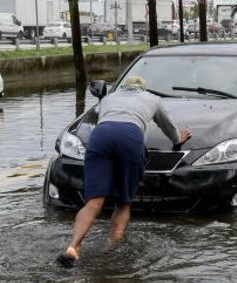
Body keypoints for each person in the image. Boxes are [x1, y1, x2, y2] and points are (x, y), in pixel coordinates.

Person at [57, 76, 191, 268]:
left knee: (94, 201)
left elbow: (100, 118)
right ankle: (109, 252)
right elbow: (168, 127)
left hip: (100, 136)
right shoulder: (152, 99)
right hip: (130, 136)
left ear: (124, 88)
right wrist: (178, 139)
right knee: (124, 202)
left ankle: (73, 247)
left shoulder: (109, 98)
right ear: (143, 89)